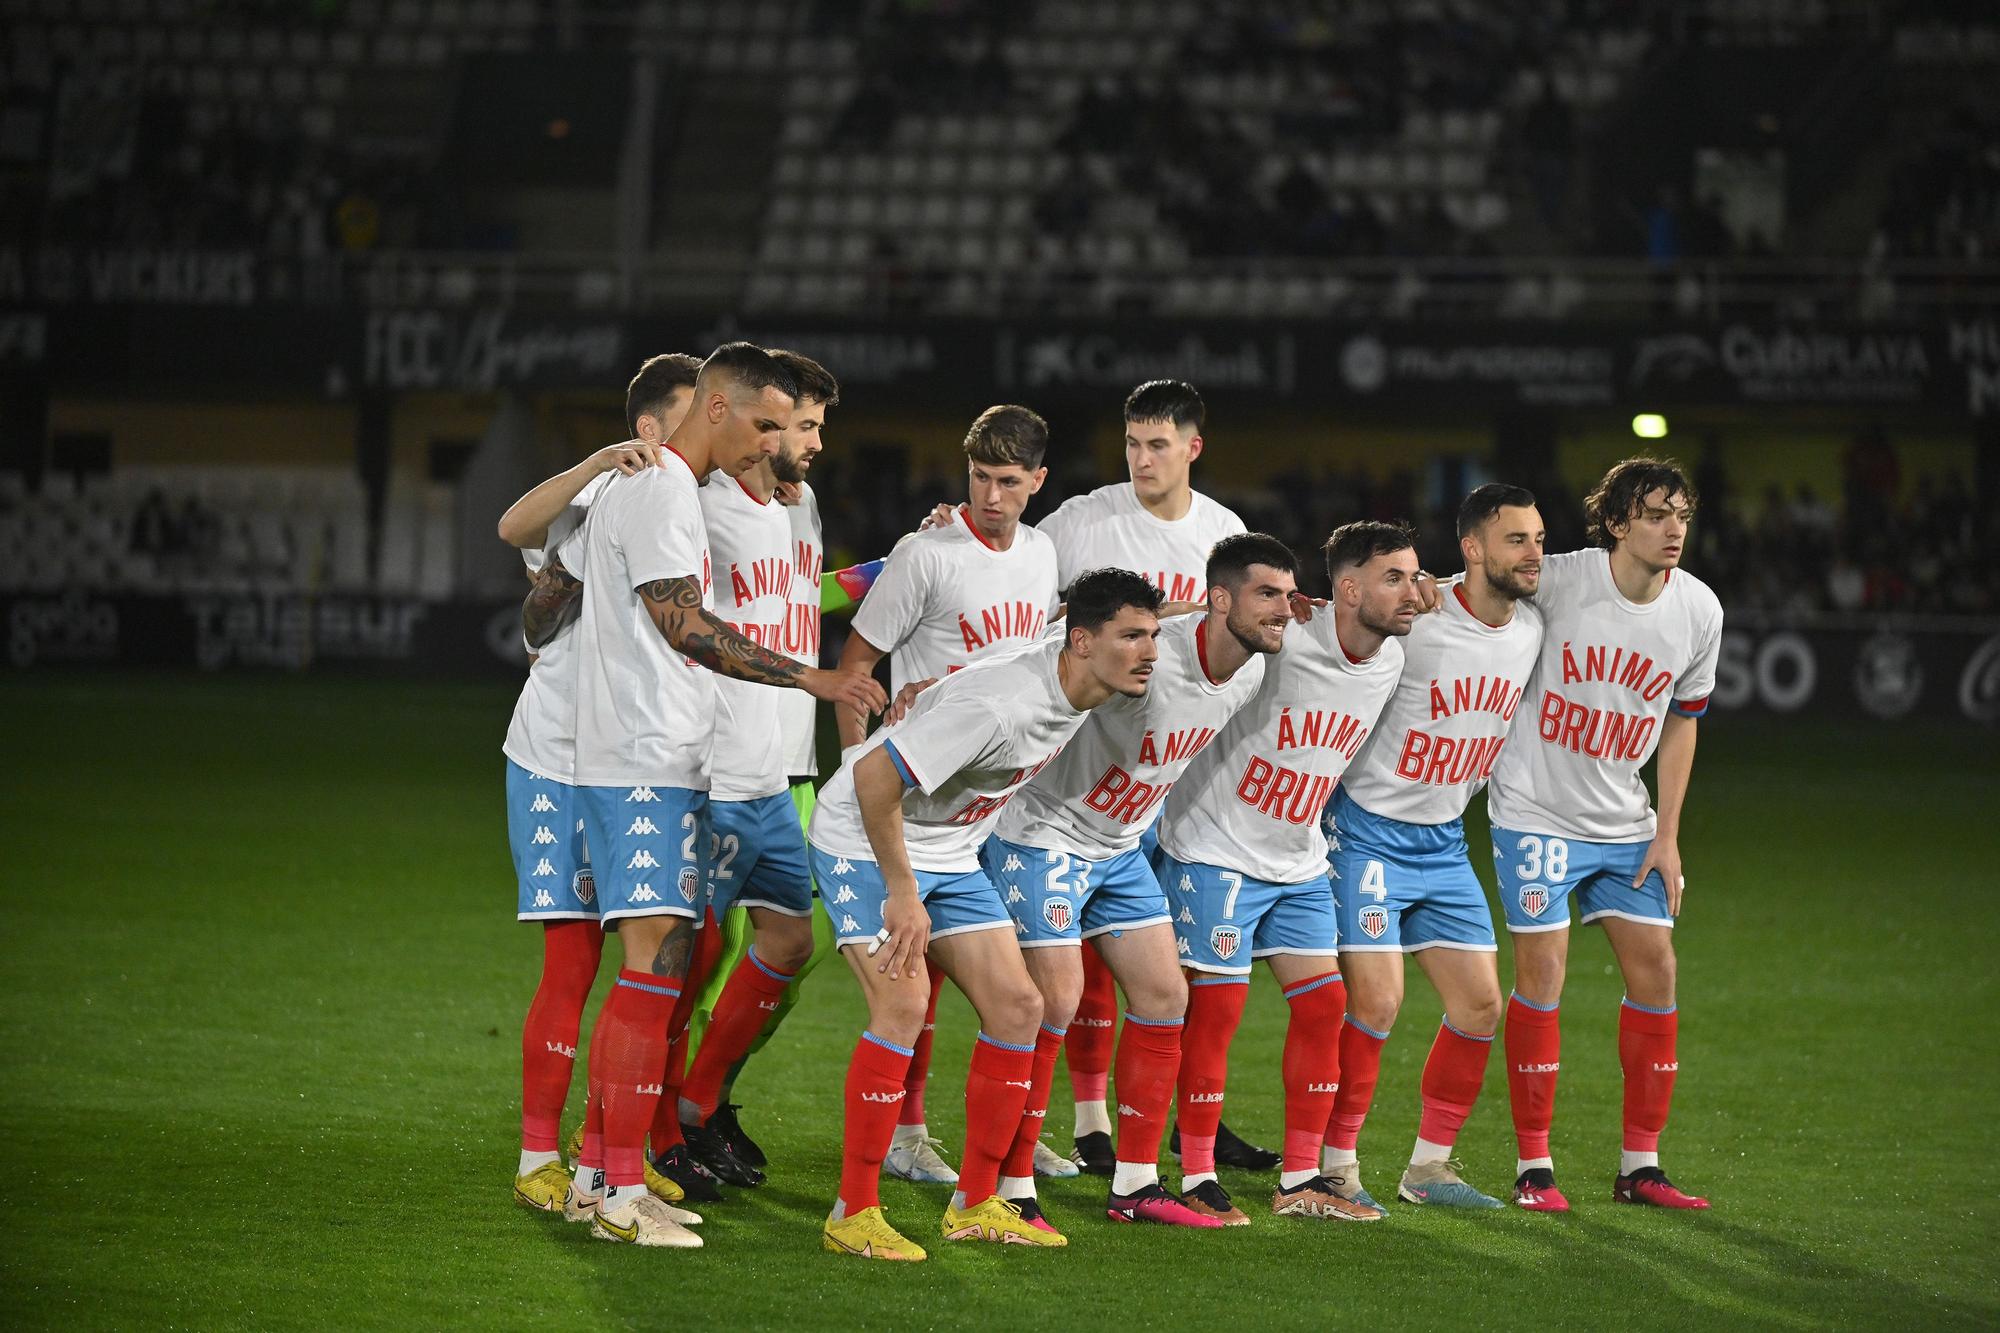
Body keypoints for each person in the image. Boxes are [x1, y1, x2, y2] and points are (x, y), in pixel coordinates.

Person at [533, 342, 884, 1247]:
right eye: (765, 422)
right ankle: (611, 1189)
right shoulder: (658, 491)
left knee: (661, 970)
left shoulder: (665, 491)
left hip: (662, 759)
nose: (771, 442)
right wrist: (806, 679)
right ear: (717, 408)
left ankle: (604, 1180)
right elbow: (682, 622)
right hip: (644, 761)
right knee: (652, 974)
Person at [807, 568, 1167, 1260]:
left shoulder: (1076, 675)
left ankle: (975, 1201)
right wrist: (902, 890)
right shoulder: (1005, 705)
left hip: (949, 846)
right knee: (903, 1006)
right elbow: (873, 776)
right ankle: (852, 1211)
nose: (1149, 650)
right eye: (1132, 635)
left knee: (1018, 1005)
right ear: (1084, 640)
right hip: (864, 839)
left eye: (1152, 634)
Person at [982, 532, 1296, 1232]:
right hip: (1046, 834)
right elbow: (1060, 657)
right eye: (1266, 594)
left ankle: (1136, 1182)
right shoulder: (1147, 658)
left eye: (1286, 593)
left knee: (1163, 995)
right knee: (1056, 997)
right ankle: (1011, 1178)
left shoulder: (1248, 671)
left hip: (1121, 847)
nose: (1282, 609)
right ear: (1220, 601)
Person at [1030, 379, 1272, 1177]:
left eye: (1158, 443)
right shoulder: (1081, 521)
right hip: (1086, 776)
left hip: (1179, 785)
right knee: (1088, 965)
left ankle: (1188, 1124)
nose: (1141, 458)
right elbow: (1028, 597)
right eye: (1132, 443)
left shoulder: (1223, 530)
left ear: (1193, 448)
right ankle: (1091, 1123)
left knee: (1184, 967)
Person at [1153, 521, 1422, 1224]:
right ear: (1348, 588)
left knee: (1324, 1004)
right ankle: (1198, 1171)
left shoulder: (1391, 661)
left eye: (1415, 576)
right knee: (1215, 1016)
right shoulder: (1287, 635)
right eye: (1395, 578)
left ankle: (1301, 1177)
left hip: (1299, 858)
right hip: (1215, 850)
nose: (1412, 592)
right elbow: (1215, 628)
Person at [835, 405, 1061, 1186]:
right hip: (910, 793)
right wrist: (857, 767)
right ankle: (907, 1130)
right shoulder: (926, 554)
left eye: (1007, 481)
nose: (990, 496)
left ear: (1038, 481)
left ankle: (1010, 1143)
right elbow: (857, 666)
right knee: (913, 987)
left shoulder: (1042, 554)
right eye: (978, 477)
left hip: (989, 803)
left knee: (1021, 988)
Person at [1488, 458, 1720, 1212]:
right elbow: (1482, 589)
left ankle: (1640, 1166)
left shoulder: (1699, 610)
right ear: (1618, 522)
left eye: (1681, 513)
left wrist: (1669, 833)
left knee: (1657, 971)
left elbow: (1684, 719)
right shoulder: (1559, 578)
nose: (1673, 527)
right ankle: (1533, 1166)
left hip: (1626, 822)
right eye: (1655, 513)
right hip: (1535, 811)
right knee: (1544, 976)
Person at [499, 353, 700, 1216]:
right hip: (553, 755)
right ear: (651, 428)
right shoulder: (597, 501)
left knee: (652, 963)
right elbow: (514, 528)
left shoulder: (684, 503)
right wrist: (589, 465)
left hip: (626, 760)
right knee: (573, 960)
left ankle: (606, 1156)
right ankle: (539, 1153)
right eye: (692, 417)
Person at [1322, 484, 1545, 1212]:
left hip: (1445, 842)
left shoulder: (1531, 630)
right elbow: (1348, 627)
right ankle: (1334, 1163)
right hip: (1368, 834)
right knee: (1378, 1001)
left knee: (1481, 1004)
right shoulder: (1421, 615)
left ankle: (1429, 1166)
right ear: (1474, 549)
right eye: (1516, 539)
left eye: (1539, 537)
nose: (1533, 551)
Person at [673, 351, 843, 1186]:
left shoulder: (798, 508)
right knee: (692, 951)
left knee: (787, 947)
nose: (807, 442)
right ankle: (655, 1119)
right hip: (717, 764)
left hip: (783, 765)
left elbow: (802, 606)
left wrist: (893, 569)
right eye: (792, 424)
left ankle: (702, 1098)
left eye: (808, 425)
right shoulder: (699, 505)